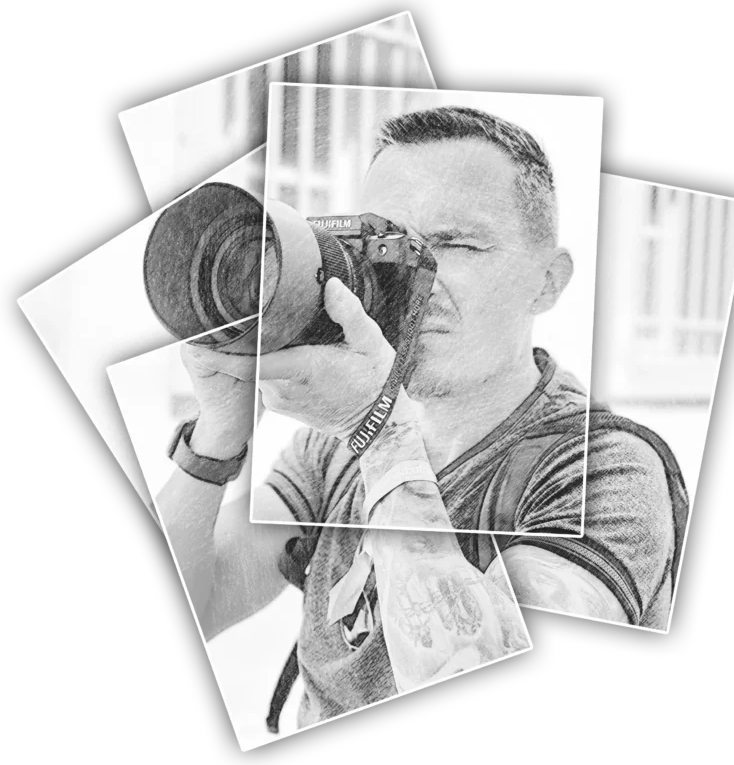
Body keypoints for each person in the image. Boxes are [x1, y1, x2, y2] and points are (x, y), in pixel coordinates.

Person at [156, 106, 686, 731]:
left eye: (455, 243)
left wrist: (375, 425)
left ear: (548, 281)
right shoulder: (332, 448)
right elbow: (199, 604)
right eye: (385, 241)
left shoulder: (605, 469)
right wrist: (217, 436)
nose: (414, 272)